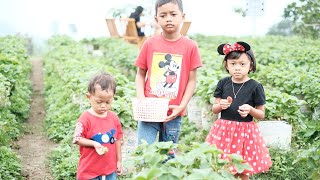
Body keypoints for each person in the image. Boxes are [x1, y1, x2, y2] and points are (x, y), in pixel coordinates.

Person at [134, 0, 202, 158]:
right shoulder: (149, 43)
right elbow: (140, 74)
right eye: (163, 15)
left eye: (173, 14)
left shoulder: (190, 46)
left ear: (182, 16)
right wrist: (142, 98)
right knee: (145, 154)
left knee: (168, 158)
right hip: (149, 110)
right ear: (156, 19)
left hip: (174, 112)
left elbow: (192, 81)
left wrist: (182, 106)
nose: (168, 19)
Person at [205, 42, 272, 180]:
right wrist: (221, 105)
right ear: (226, 65)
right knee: (224, 166)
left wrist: (250, 110)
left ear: (251, 65)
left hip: (245, 133)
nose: (237, 68)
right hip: (224, 130)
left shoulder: (255, 86)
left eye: (242, 64)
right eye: (233, 64)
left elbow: (261, 114)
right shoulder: (223, 83)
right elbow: (214, 108)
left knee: (243, 169)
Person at [73, 72, 123, 180]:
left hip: (110, 170)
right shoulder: (85, 118)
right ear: (89, 97)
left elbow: (118, 140)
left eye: (108, 102)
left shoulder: (114, 118)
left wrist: (119, 161)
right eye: (99, 102)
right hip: (89, 172)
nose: (103, 106)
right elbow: (77, 138)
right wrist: (94, 143)